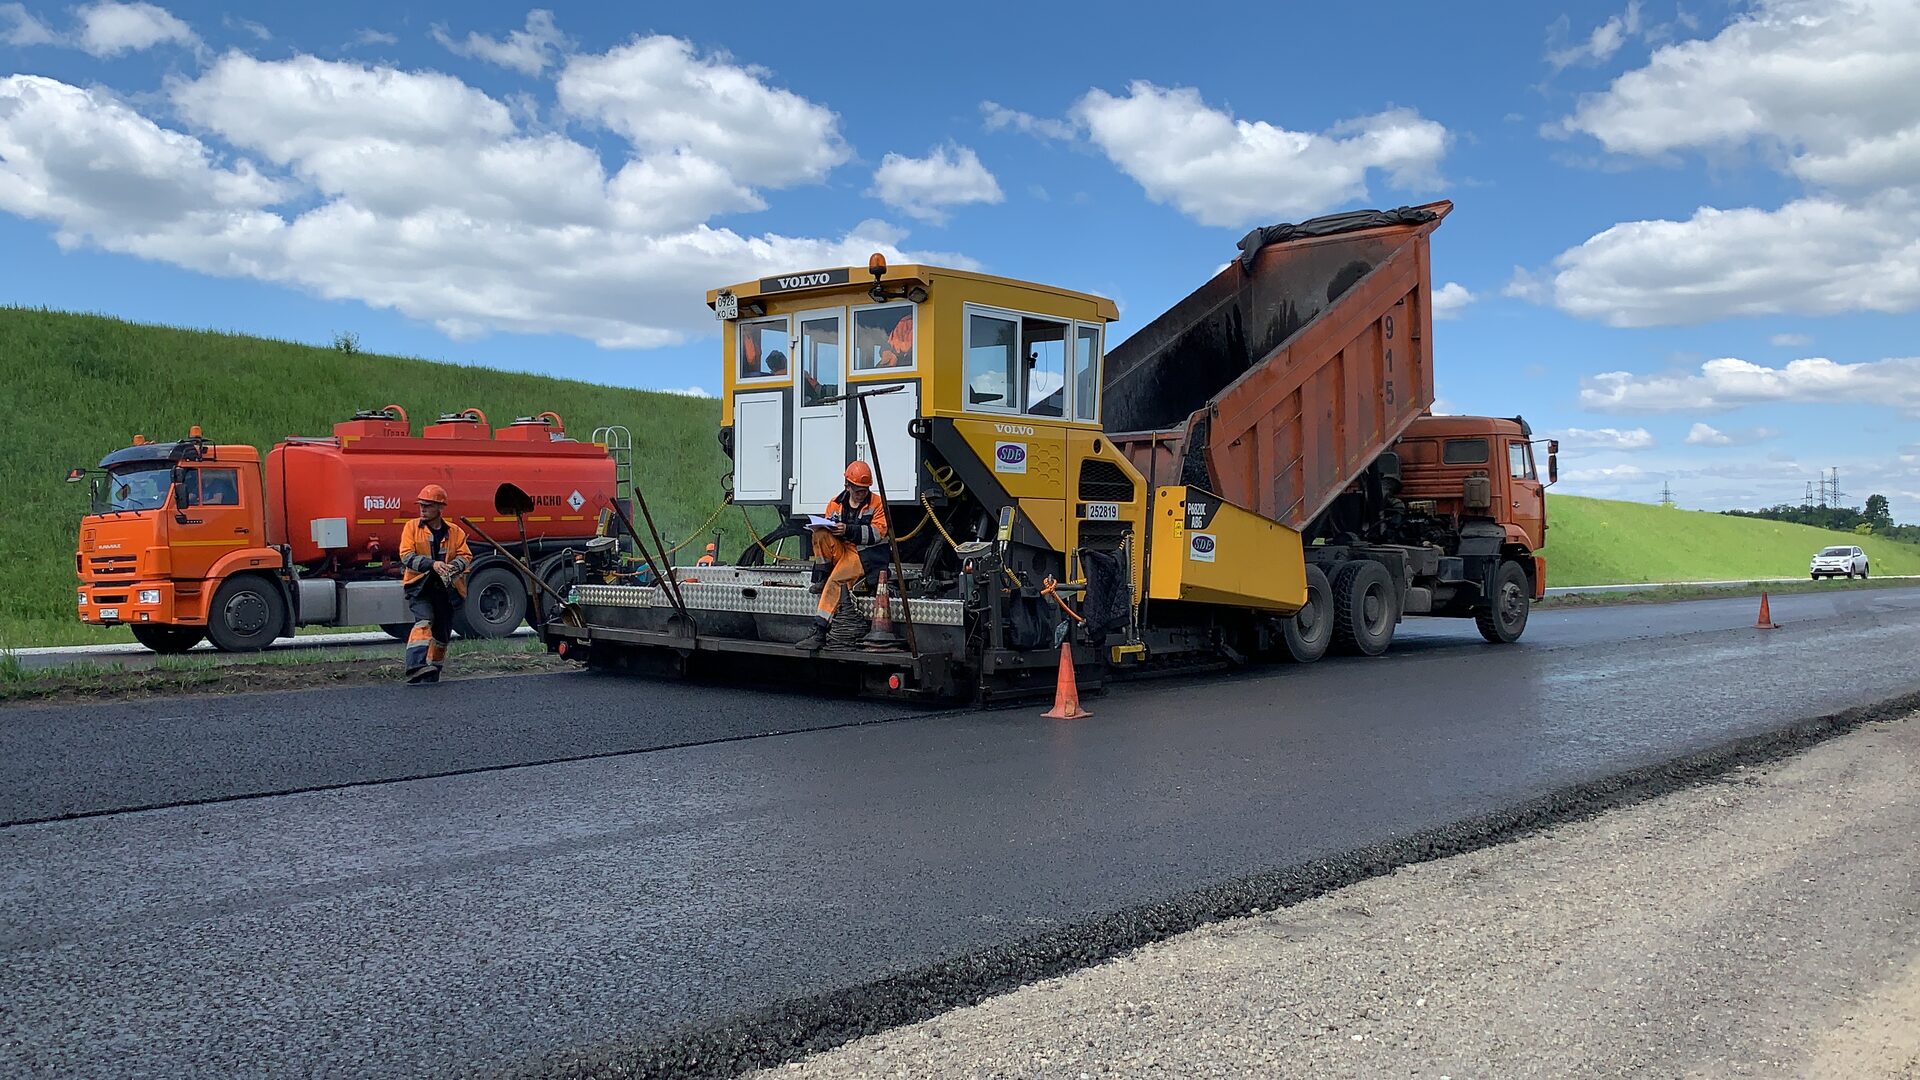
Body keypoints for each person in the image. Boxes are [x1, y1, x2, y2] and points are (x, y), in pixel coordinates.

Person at [798, 461, 889, 649]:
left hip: (863, 554)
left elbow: (877, 533)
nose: (862, 494)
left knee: (836, 583)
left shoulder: (877, 504)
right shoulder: (835, 503)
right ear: (847, 486)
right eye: (857, 490)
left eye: (864, 490)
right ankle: (822, 577)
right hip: (842, 550)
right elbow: (825, 529)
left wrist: (848, 530)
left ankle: (820, 631)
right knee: (820, 533)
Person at [399, 483, 473, 683]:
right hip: (420, 586)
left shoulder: (454, 532)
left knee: (442, 632)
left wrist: (453, 567)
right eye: (421, 505)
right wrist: (432, 565)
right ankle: (415, 667)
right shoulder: (411, 528)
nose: (422, 509)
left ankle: (433, 671)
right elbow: (406, 556)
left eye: (428, 505)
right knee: (424, 621)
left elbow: (465, 556)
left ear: (440, 508)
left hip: (446, 590)